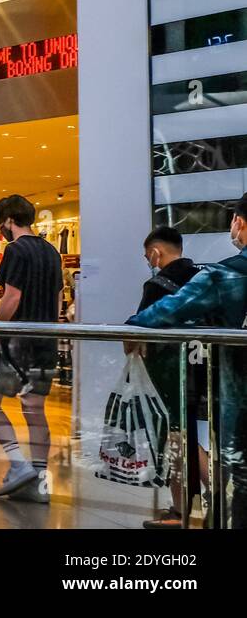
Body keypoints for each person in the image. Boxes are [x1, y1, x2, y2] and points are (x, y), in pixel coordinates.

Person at [129, 196, 247, 529]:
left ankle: (193, 509)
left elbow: (159, 314)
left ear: (238, 222)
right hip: (208, 376)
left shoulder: (225, 275)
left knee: (189, 443)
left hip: (212, 385)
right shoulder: (202, 271)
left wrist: (131, 327)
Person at [0, 194, 63, 503]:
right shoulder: (52, 251)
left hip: (17, 343)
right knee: (35, 409)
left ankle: (18, 464)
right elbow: (57, 299)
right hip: (46, 339)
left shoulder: (15, 250)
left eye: (1, 223)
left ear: (8, 221)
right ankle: (40, 480)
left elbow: (12, 297)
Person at [132, 225, 204, 528]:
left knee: (176, 440)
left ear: (155, 252)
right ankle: (191, 509)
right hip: (202, 367)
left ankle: (181, 511)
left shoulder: (156, 285)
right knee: (187, 436)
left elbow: (137, 331)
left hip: (169, 372)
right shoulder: (202, 276)